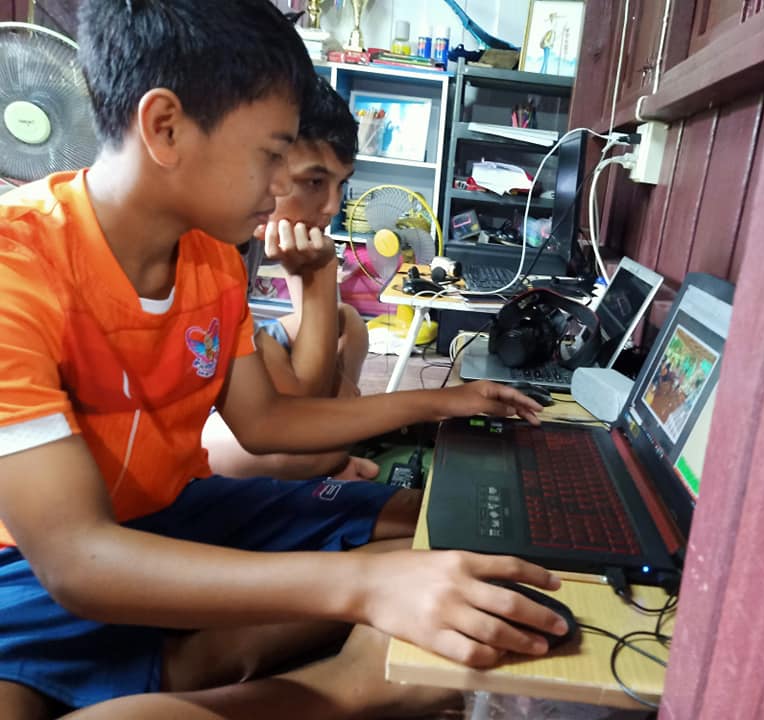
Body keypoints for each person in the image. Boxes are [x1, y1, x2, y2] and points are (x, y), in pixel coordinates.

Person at [0, 2, 567, 719]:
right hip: (30, 572)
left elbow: (267, 420)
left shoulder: (210, 258)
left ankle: (188, 664)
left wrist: (441, 401)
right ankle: (319, 679)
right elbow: (77, 562)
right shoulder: (17, 267)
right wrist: (360, 590)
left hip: (175, 514)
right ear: (165, 127)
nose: (283, 188)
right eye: (272, 155)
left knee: (436, 538)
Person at [202, 77, 377, 481]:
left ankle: (334, 451)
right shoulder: (212, 243)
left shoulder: (260, 223)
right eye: (314, 182)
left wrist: (314, 275)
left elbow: (318, 342)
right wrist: (322, 273)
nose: (332, 206)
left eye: (341, 184)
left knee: (349, 323)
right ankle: (332, 457)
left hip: (235, 368)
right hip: (193, 413)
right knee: (307, 447)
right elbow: (303, 404)